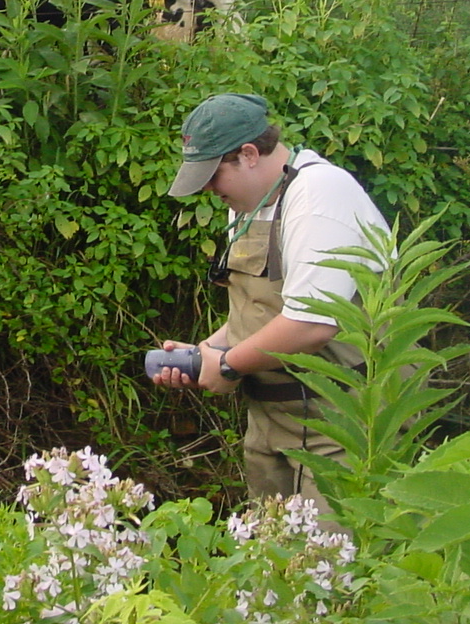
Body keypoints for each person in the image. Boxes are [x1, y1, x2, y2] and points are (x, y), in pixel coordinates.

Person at [152, 92, 389, 517]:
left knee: (333, 568)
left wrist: (226, 365)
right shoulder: (248, 204)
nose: (207, 188)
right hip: (271, 419)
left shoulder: (320, 195)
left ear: (248, 155)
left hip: (342, 421)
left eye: (212, 174)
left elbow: (311, 325)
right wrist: (202, 353)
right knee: (272, 559)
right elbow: (257, 313)